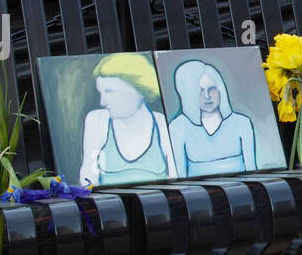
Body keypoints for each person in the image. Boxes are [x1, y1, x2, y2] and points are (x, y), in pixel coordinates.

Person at [78, 53, 176, 187]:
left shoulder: (160, 123)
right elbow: (87, 179)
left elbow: (176, 177)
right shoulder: (97, 121)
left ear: (140, 90)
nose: (102, 102)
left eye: (110, 92)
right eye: (101, 92)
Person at [168, 60, 257, 177]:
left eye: (212, 89)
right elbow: (180, 176)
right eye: (200, 90)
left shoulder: (242, 123)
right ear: (187, 93)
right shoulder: (178, 127)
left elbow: (252, 170)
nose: (207, 96)